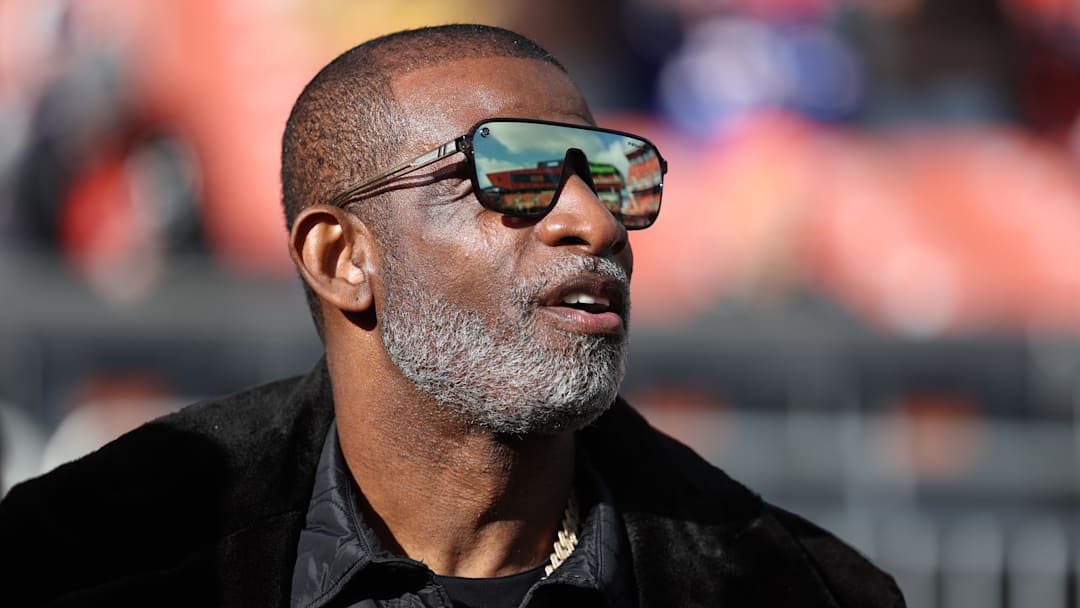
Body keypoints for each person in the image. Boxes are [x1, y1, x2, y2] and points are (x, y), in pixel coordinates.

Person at [0, 24, 904, 607]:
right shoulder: (79, 559)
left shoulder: (798, 588)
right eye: (517, 174)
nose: (595, 221)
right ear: (341, 258)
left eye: (618, 175)